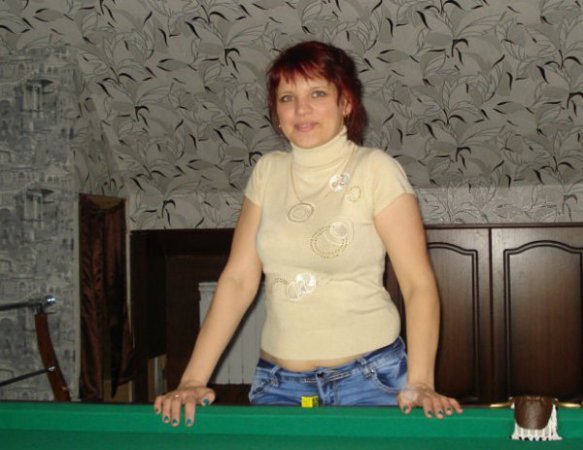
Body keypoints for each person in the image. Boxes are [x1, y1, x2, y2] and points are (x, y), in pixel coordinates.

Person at [154, 40, 463, 427]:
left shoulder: (376, 170)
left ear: (345, 103)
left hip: (370, 382)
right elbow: (237, 279)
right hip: (279, 386)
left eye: (317, 93)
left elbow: (418, 283)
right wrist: (192, 380)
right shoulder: (267, 173)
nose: (301, 109)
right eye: (288, 98)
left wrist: (421, 383)